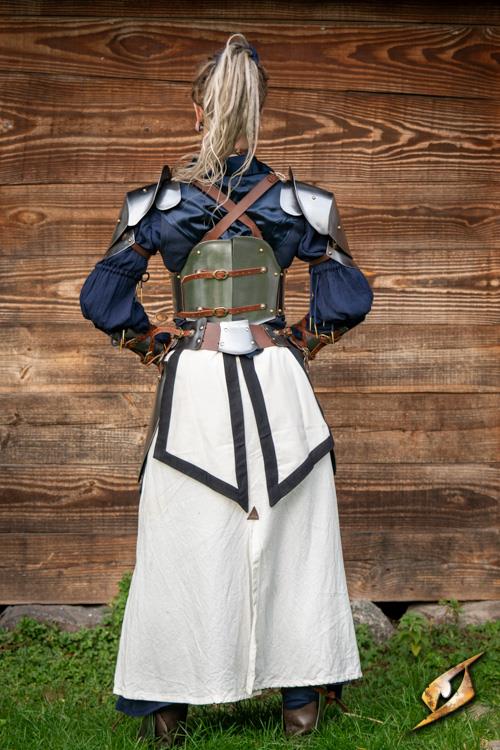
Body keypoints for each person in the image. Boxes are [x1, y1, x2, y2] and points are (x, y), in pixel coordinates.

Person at [79, 33, 374, 746]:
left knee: (184, 537)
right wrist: (298, 342)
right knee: (292, 537)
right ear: (260, 109)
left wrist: (158, 347)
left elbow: (102, 298)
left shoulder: (160, 204)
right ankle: (300, 705)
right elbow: (348, 297)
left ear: (198, 110)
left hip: (196, 384)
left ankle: (166, 711)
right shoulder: (300, 204)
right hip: (279, 381)